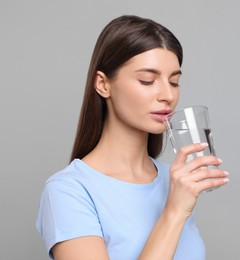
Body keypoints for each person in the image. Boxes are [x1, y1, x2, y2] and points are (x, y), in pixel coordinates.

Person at [35, 15, 229, 260]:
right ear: (103, 84)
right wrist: (174, 212)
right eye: (147, 81)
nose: (168, 95)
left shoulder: (175, 181)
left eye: (174, 82)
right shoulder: (68, 191)